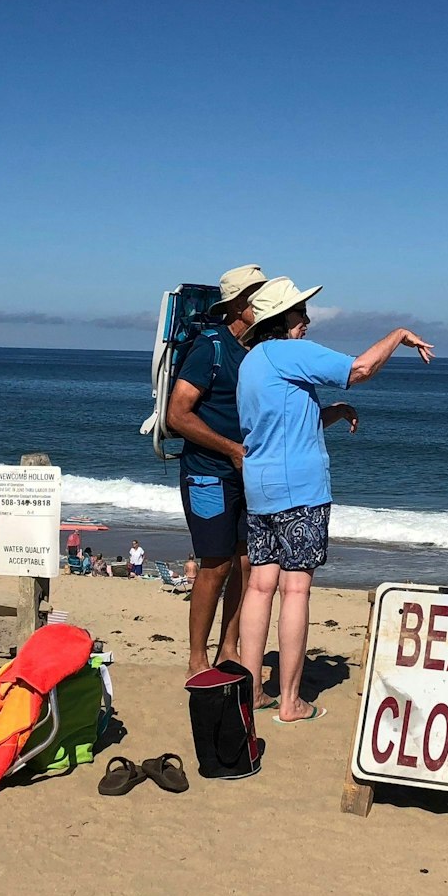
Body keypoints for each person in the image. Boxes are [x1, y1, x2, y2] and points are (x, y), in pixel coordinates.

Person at [233, 277, 433, 722]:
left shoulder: (252, 362)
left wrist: (332, 413)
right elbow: (358, 370)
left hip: (261, 487)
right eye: (299, 313)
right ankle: (289, 701)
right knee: (296, 588)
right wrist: (398, 335)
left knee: (260, 586)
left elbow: (278, 425)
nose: (306, 320)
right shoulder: (290, 352)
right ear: (279, 320)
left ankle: (250, 694)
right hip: (299, 490)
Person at [165, 263, 267, 676]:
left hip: (245, 472)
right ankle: (196, 658)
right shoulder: (211, 346)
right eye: (259, 297)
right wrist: (230, 449)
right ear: (240, 305)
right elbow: (178, 413)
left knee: (245, 563)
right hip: (207, 472)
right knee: (216, 563)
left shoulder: (257, 350)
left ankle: (229, 648)